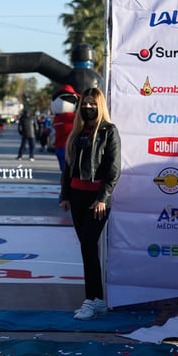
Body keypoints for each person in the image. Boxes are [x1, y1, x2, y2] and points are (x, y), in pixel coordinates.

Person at [59, 87, 121, 321]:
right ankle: (96, 300)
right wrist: (64, 195)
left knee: (87, 245)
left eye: (92, 104)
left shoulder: (109, 131)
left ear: (100, 105)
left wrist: (102, 198)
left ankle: (92, 300)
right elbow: (68, 168)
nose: (88, 107)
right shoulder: (76, 132)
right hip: (76, 196)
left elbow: (114, 170)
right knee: (87, 248)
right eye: (85, 103)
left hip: (97, 200)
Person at [51, 85, 80, 172]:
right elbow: (82, 117)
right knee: (69, 173)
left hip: (58, 147)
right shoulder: (69, 116)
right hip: (67, 148)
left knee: (64, 172)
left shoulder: (56, 119)